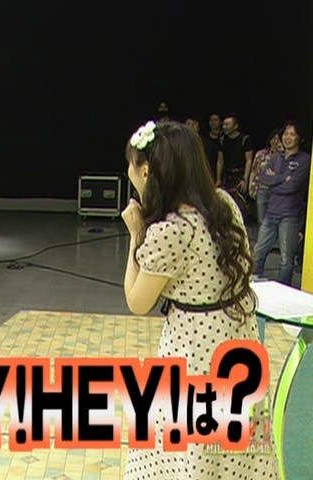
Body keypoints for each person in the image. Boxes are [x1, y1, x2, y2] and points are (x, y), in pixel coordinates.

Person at [121, 120, 277, 478]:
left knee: (189, 451)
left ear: (146, 172)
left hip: (195, 351)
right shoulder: (223, 203)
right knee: (234, 449)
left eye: (132, 164)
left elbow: (137, 301)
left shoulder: (170, 230)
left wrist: (135, 235)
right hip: (238, 342)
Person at [253, 121, 310, 286]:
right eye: (285, 134)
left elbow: (291, 187)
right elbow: (263, 177)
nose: (288, 137)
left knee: (286, 260)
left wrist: (274, 181)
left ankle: (283, 292)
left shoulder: (305, 160)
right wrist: (283, 178)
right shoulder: (276, 157)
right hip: (271, 212)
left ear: (299, 138)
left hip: (290, 216)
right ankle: (253, 285)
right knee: (258, 252)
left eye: (292, 134)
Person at [248, 128, 283, 225]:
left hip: (276, 191)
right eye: (273, 138)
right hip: (262, 189)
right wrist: (250, 186)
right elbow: (253, 171)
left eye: (278, 139)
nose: (275, 141)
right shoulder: (261, 154)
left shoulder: (284, 156)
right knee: (261, 218)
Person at [216, 113, 254, 193]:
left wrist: (245, 179)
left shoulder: (245, 139)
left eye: (227, 125)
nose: (224, 127)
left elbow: (249, 160)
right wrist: (218, 179)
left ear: (235, 126)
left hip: (240, 174)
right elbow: (220, 161)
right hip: (226, 175)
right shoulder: (222, 140)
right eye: (223, 125)